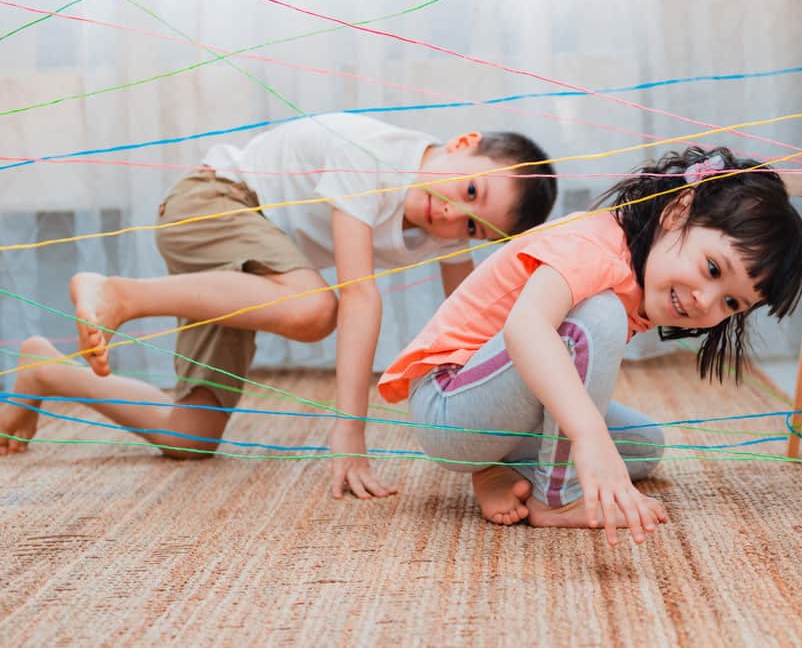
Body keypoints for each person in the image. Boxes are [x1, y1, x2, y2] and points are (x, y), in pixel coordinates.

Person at [0, 113, 557, 503]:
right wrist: (349, 430)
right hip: (213, 203)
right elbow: (360, 296)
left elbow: (465, 320)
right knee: (314, 310)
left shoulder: (445, 233)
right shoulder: (374, 158)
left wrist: (494, 431)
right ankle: (120, 294)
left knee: (189, 436)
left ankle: (43, 369)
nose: (452, 218)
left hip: (246, 275)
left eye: (473, 227)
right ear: (463, 143)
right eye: (471, 192)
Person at [377, 147, 802, 545]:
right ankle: (557, 497)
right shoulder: (595, 244)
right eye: (713, 268)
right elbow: (525, 327)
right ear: (678, 212)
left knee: (644, 446)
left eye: (731, 303)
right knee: (599, 318)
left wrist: (596, 439)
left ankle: (501, 467)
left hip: (490, 408)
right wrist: (587, 435)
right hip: (449, 406)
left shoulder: (638, 269)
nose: (706, 302)